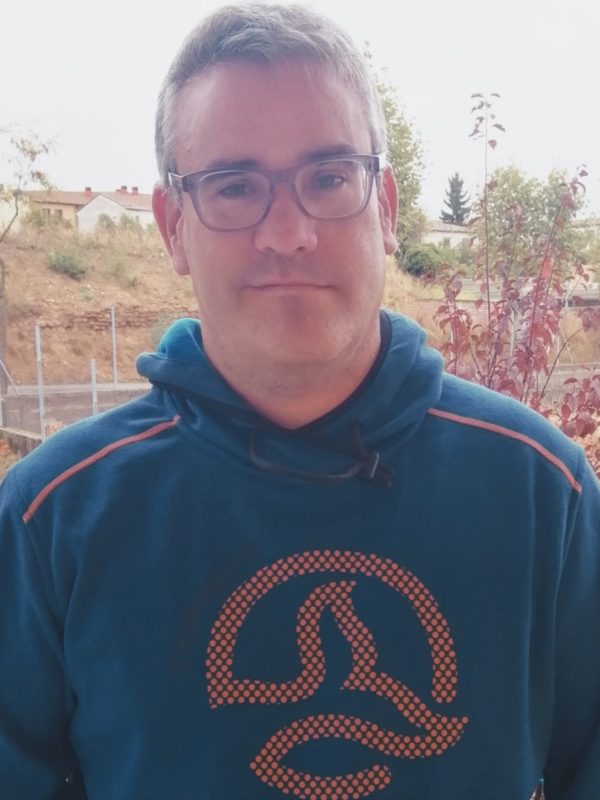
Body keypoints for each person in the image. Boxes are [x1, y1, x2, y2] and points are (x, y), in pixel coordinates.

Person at [1, 4, 599, 799]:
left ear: (385, 208)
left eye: (328, 178)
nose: (287, 232)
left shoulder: (543, 493)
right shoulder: (52, 517)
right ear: (173, 227)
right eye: (234, 186)